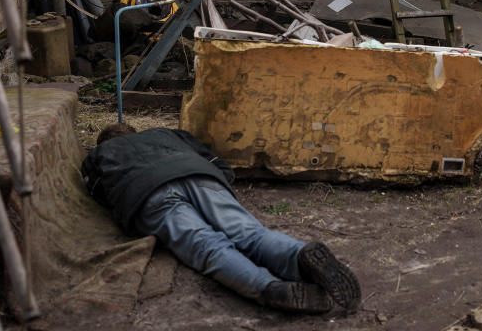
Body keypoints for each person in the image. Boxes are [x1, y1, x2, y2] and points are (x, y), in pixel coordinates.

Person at [81, 123, 361, 315]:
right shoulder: (167, 133)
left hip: (147, 192)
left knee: (206, 245)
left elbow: (99, 193)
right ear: (134, 130)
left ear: (105, 143)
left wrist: (128, 209)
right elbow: (216, 161)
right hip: (198, 174)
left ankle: (269, 288)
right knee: (250, 233)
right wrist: (219, 184)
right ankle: (299, 256)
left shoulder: (100, 154)